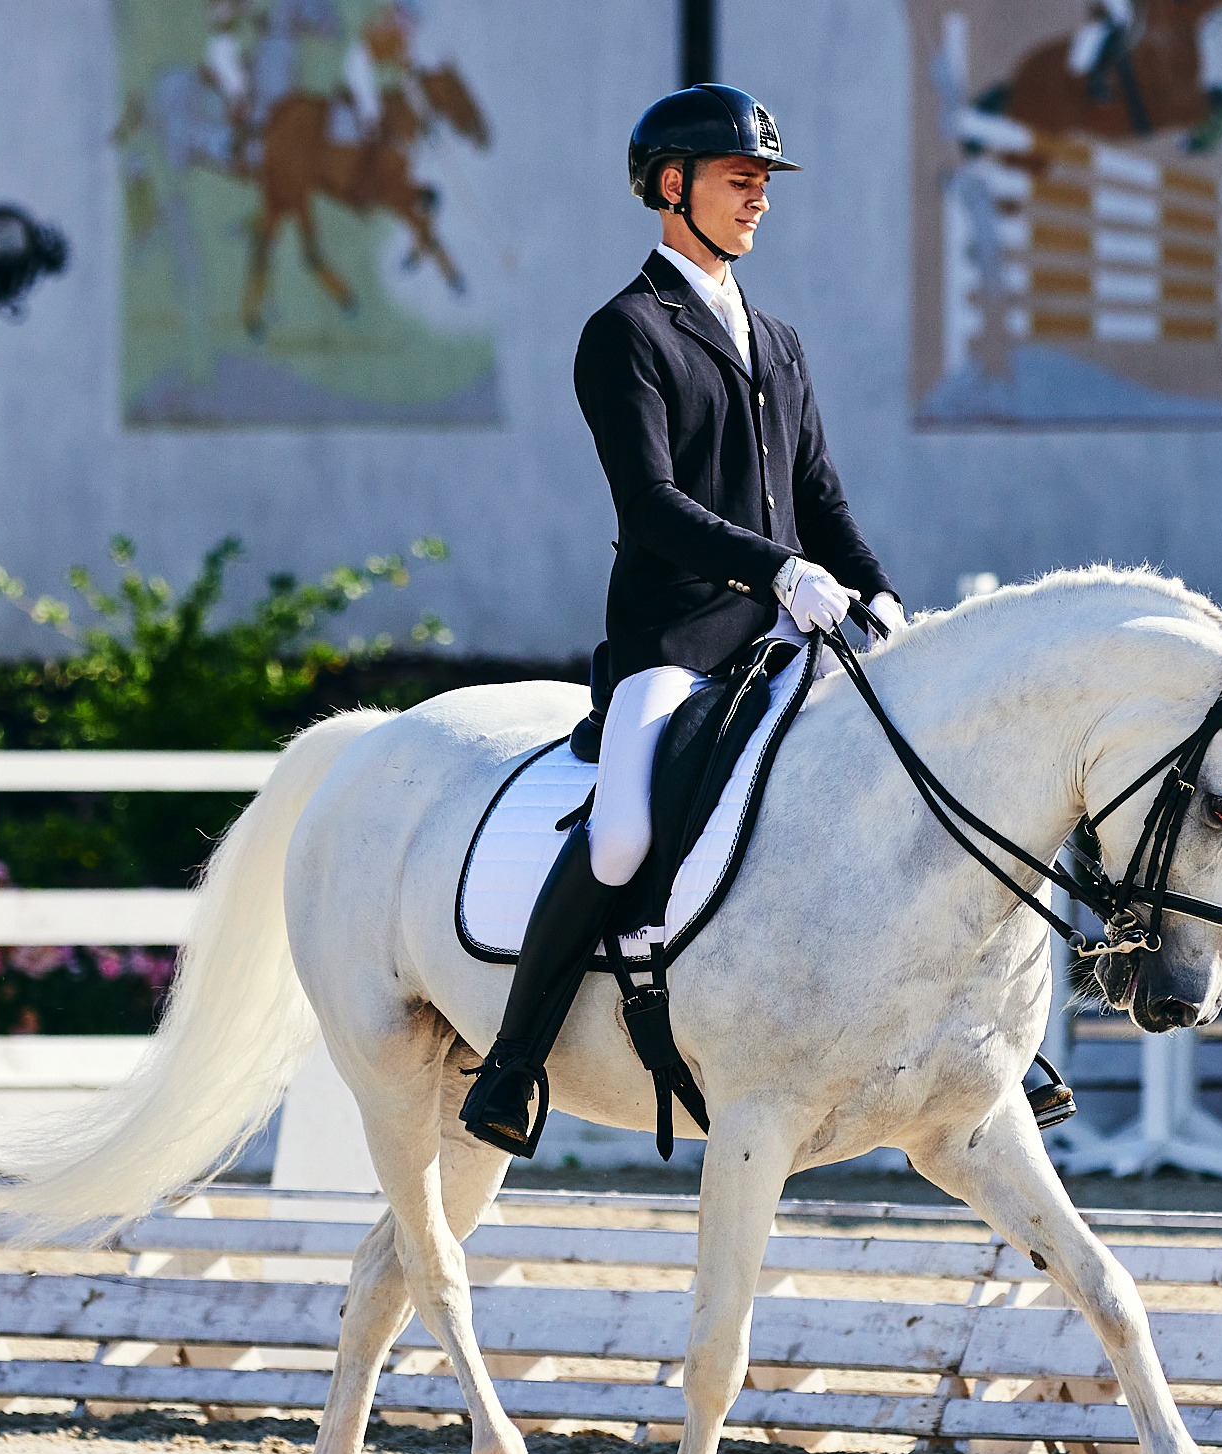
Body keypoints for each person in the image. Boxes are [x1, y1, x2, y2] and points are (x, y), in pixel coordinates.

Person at [458, 84, 1070, 1156]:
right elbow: (649, 506)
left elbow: (821, 495)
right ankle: (515, 1058)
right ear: (670, 185)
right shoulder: (625, 332)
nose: (759, 200)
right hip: (677, 646)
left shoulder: (777, 339)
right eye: (741, 181)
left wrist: (878, 594)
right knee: (620, 834)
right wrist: (778, 572)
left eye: (762, 184)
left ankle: (985, 1039)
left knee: (906, 782)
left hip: (795, 640)